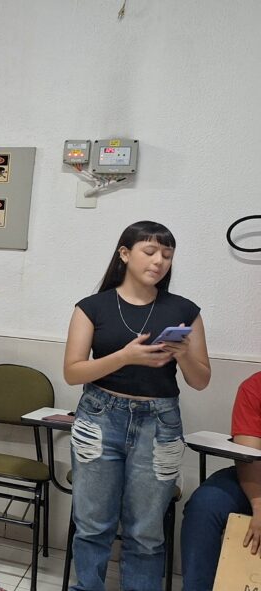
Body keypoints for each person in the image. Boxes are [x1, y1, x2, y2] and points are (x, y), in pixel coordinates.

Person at [63, 220, 211, 591]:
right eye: (150, 251)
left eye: (167, 255)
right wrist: (125, 357)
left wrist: (183, 354)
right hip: (100, 417)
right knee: (92, 525)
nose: (159, 261)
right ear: (125, 254)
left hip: (159, 423)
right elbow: (72, 371)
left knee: (146, 532)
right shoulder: (92, 307)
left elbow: (200, 380)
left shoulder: (185, 310)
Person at [181, 372, 261, 591]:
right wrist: (259, 505)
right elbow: (248, 457)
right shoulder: (255, 387)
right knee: (205, 505)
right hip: (256, 476)